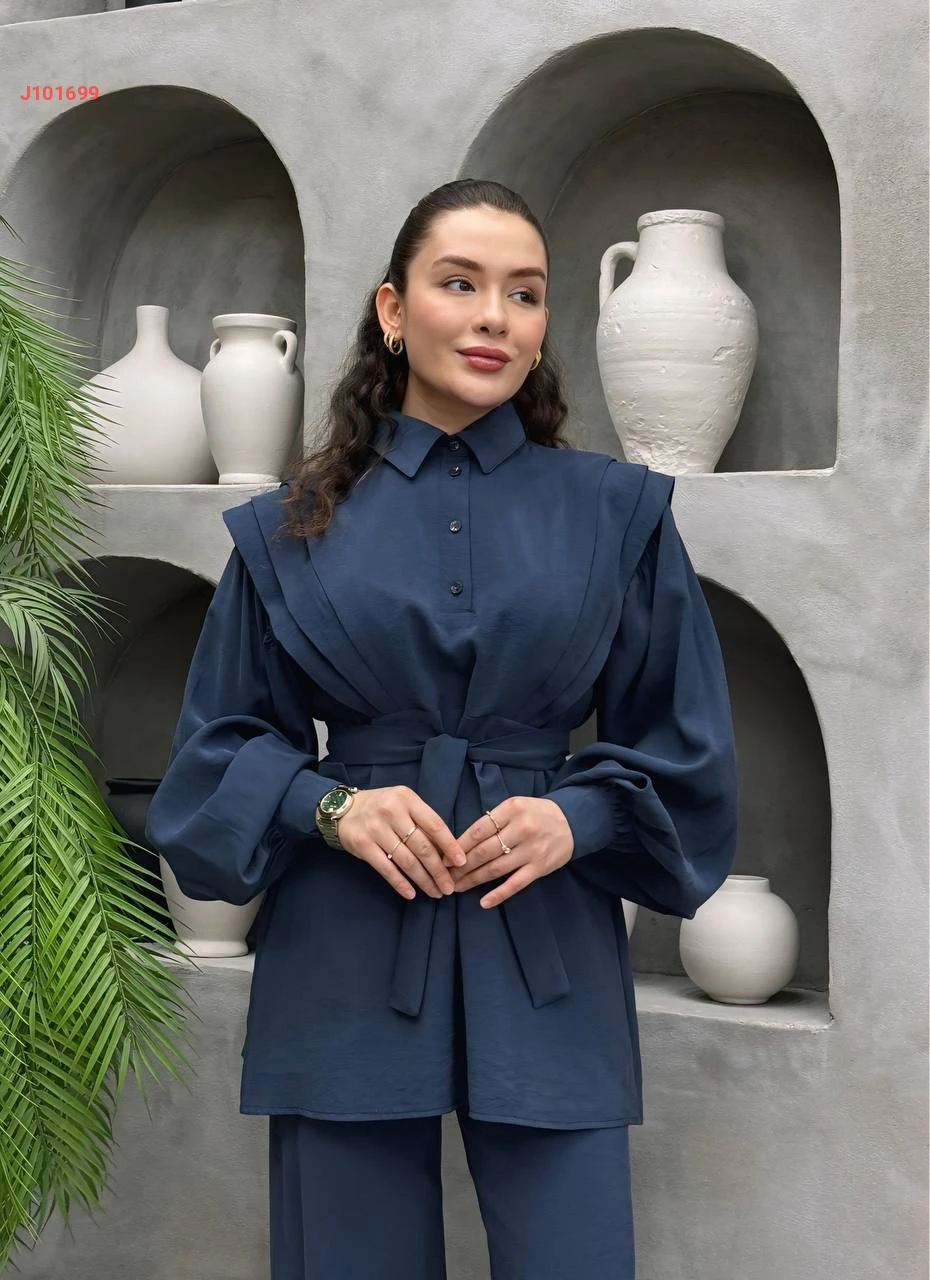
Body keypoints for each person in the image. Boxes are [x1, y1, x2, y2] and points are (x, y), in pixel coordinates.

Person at [145, 177, 739, 1280]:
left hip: (546, 930)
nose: (492, 317)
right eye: (459, 284)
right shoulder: (289, 528)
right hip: (344, 943)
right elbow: (211, 756)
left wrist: (577, 816)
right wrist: (331, 803)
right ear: (393, 308)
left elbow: (686, 745)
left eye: (524, 292)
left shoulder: (620, 513)